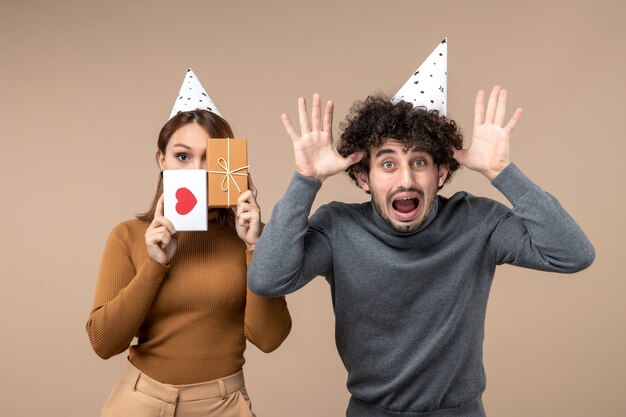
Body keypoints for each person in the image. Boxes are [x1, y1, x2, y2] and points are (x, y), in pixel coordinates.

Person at [247, 88, 594, 417]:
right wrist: (305, 179)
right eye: (387, 164)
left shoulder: (478, 222)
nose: (406, 181)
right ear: (363, 177)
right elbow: (267, 279)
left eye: (419, 162)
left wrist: (501, 171)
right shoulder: (339, 227)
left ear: (441, 172)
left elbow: (573, 253)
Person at [86, 71, 291, 417]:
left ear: (229, 164)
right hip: (140, 402)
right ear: (161, 161)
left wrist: (255, 248)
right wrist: (155, 264)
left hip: (223, 404)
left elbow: (270, 339)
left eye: (210, 158)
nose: (198, 170)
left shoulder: (250, 239)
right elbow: (104, 343)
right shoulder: (128, 236)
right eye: (183, 156)